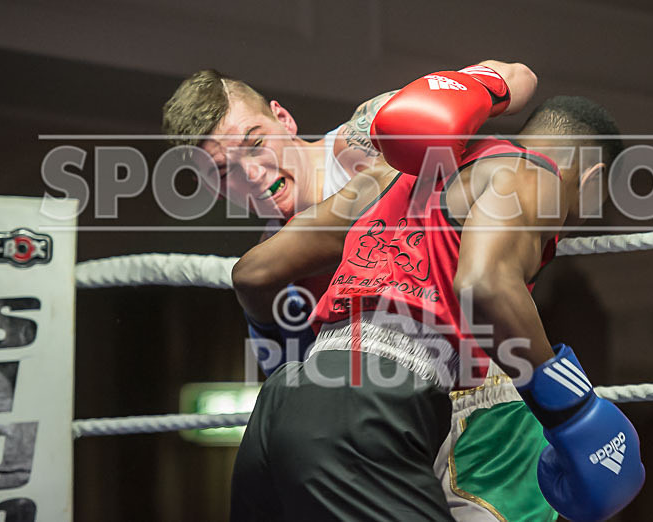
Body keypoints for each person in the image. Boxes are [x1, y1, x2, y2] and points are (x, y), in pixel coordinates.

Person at [229, 64, 645, 520]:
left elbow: (252, 272)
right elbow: (483, 285)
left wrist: (299, 366)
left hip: (281, 406)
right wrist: (572, 410)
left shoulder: (391, 173)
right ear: (591, 180)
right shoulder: (534, 175)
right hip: (370, 411)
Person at [163, 62, 565, 521]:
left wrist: (479, 87)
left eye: (255, 143)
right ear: (214, 190)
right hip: (380, 414)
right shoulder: (270, 263)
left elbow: (520, 75)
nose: (252, 173)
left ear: (284, 118)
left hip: (473, 382)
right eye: (224, 171)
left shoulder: (361, 141)